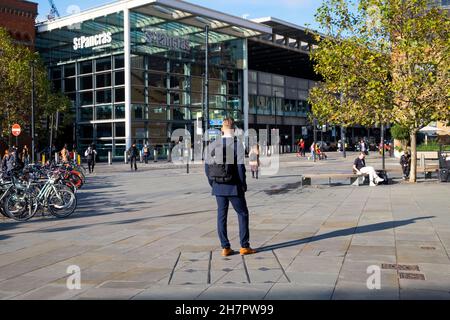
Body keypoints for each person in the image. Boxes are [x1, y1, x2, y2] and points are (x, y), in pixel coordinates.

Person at [205, 118, 256, 257]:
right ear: (233, 129)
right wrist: (243, 184)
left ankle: (225, 247)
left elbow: (207, 168)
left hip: (218, 186)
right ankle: (244, 246)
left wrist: (213, 183)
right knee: (242, 213)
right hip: (233, 186)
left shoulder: (212, 144)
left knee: (221, 216)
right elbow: (240, 168)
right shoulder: (237, 144)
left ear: (222, 129)